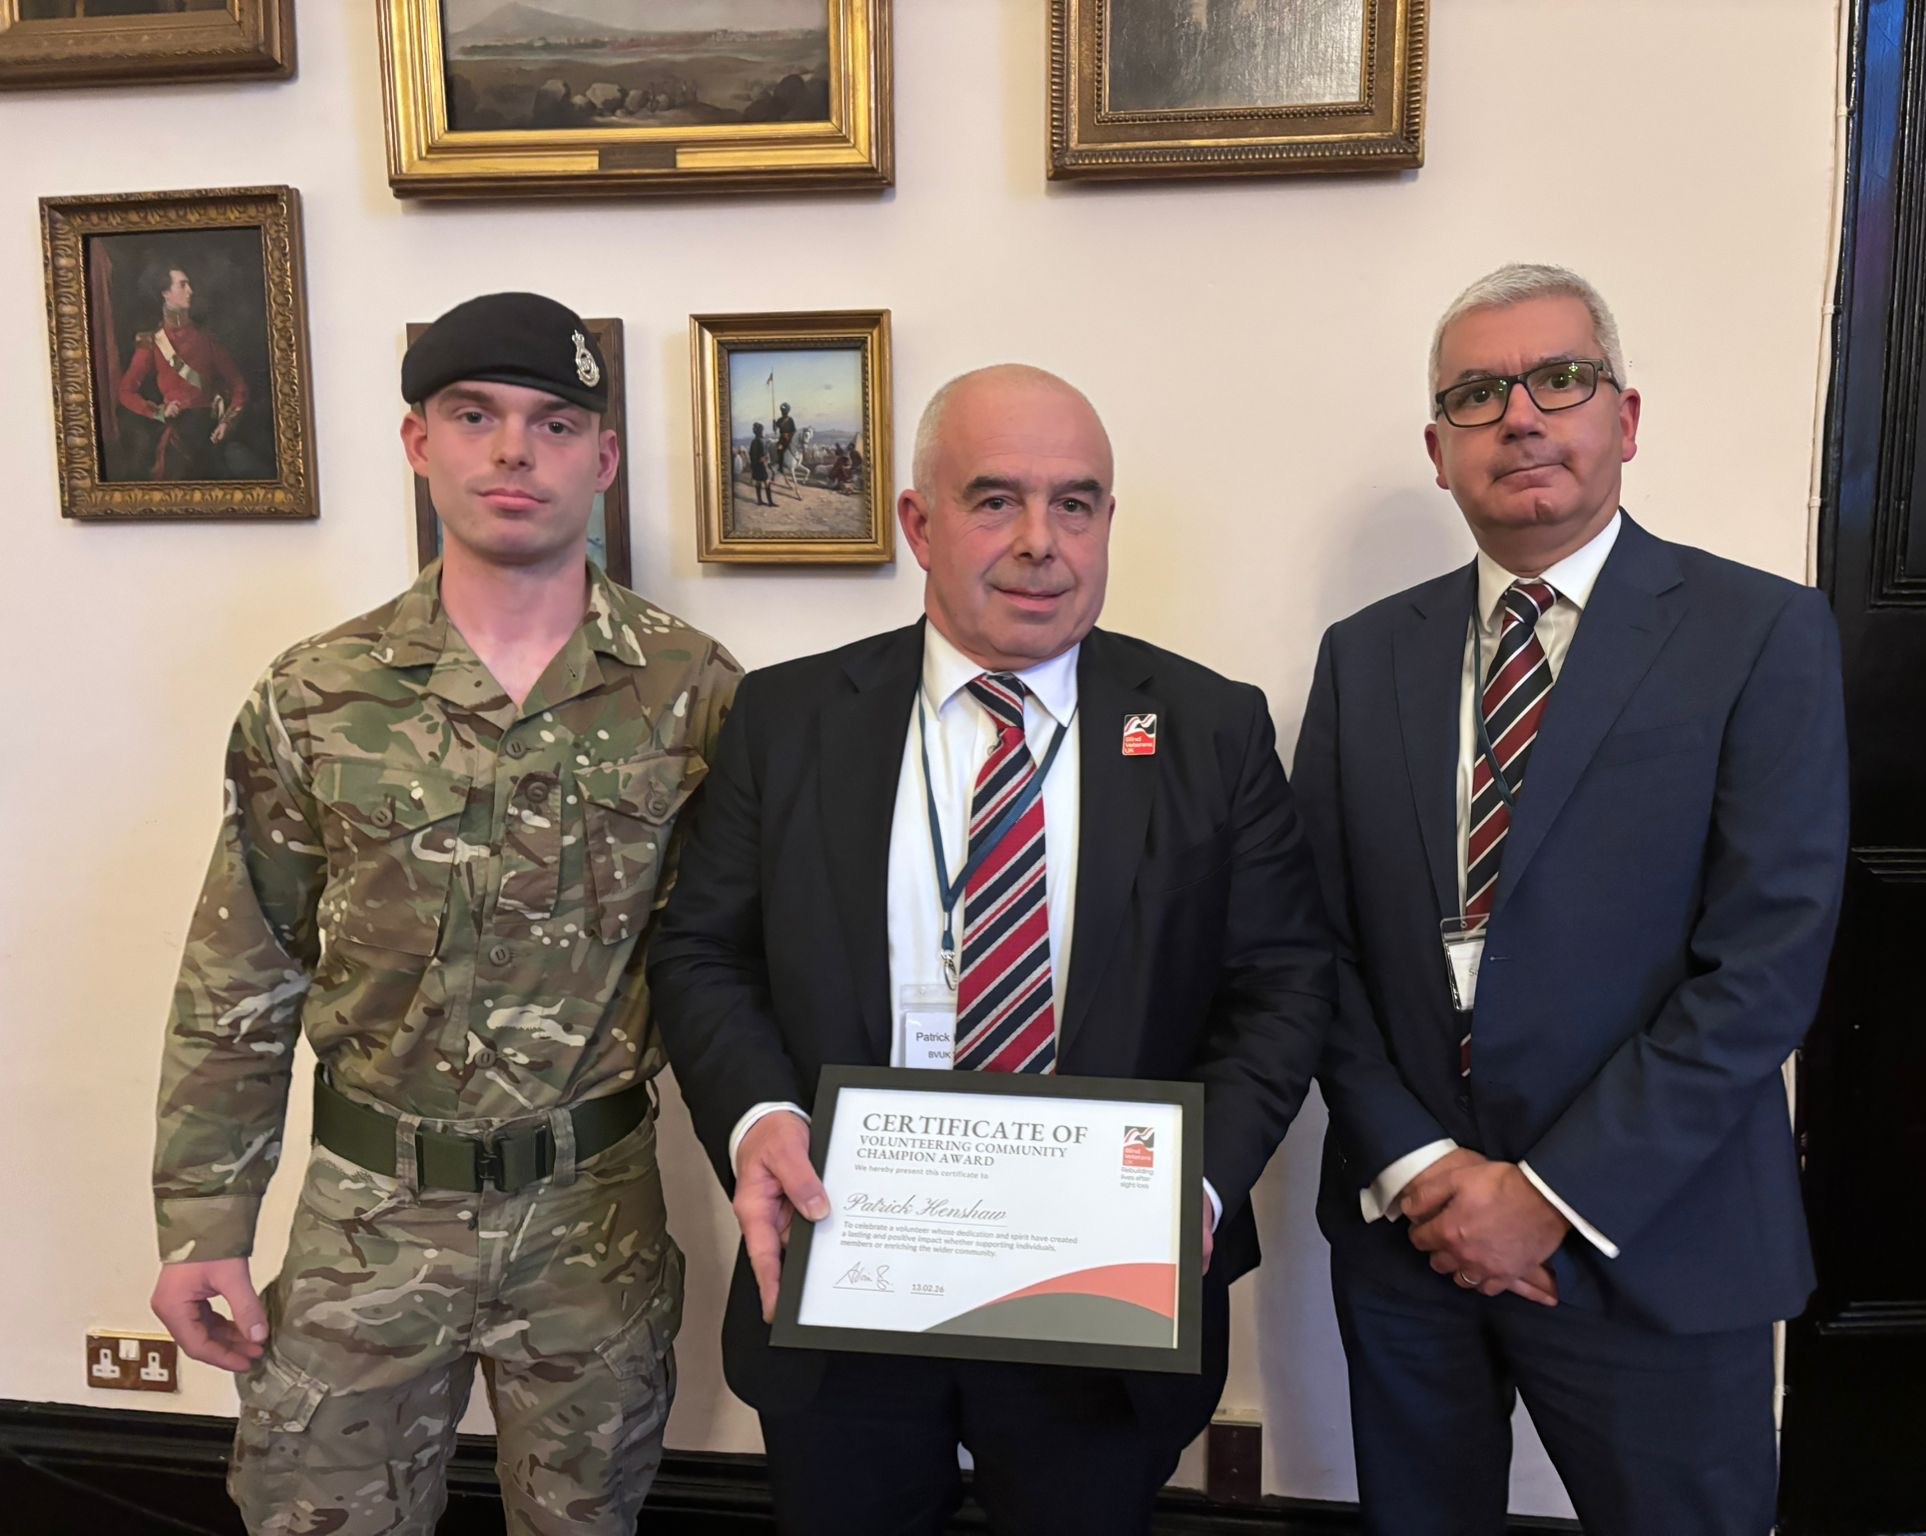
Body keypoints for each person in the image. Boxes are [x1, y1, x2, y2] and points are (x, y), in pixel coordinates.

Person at [649, 363, 1331, 1535]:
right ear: (918, 522)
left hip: (1100, 1297)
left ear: (1108, 521)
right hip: (847, 1267)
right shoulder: (790, 718)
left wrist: (1195, 1185)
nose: (1039, 542)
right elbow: (702, 952)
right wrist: (760, 1119)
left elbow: (1279, 982)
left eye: (1075, 503)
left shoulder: (1209, 728)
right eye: (993, 500)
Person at [148, 291, 742, 1535]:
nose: (514, 452)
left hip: (594, 1218)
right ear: (419, 443)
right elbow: (239, 970)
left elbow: (729, 964)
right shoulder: (317, 695)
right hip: (371, 1215)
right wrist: (206, 1220)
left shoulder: (693, 694)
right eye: (474, 416)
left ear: (605, 458)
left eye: (555, 422)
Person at [1293, 263, 1849, 1535]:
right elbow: (1310, 944)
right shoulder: (1363, 652)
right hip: (1412, 1237)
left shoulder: (1757, 632)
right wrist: (1429, 1169)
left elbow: (1765, 961)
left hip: (1651, 1232)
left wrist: (1546, 1197)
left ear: (1624, 418)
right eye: (1477, 395)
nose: (1520, 418)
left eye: (1559, 379)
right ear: (1437, 451)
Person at [115, 263, 263, 480]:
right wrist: (158, 411)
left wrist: (226, 422)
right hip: (176, 440)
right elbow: (125, 392)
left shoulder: (207, 339)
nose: (190, 291)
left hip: (211, 436)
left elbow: (238, 386)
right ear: (165, 293)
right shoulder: (152, 342)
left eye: (189, 285)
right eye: (183, 285)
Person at [748, 420, 776, 506]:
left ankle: (760, 501)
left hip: (756, 466)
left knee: (758, 482)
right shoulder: (759, 441)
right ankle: (770, 502)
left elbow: (750, 453)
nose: (763, 432)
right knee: (766, 482)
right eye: (762, 431)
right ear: (759, 432)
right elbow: (761, 454)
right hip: (761, 465)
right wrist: (765, 458)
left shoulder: (755, 441)